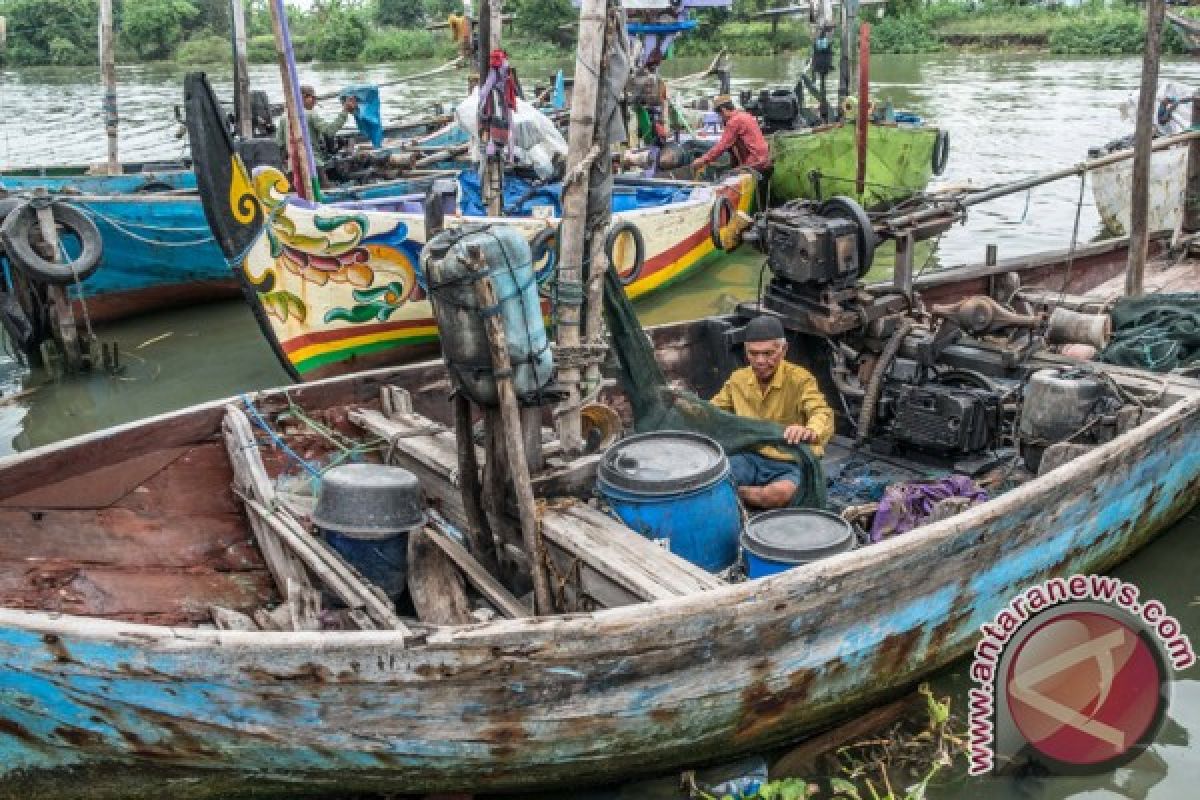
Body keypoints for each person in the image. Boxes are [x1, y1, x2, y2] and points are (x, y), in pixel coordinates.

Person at [711, 315, 834, 509]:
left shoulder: (800, 379)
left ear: (783, 350)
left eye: (768, 353)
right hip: (750, 457)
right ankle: (738, 492)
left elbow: (821, 412)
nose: (760, 360)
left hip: (791, 462)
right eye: (753, 353)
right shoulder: (737, 380)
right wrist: (684, 405)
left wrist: (809, 430)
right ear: (746, 351)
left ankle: (736, 493)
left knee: (778, 494)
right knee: (710, 477)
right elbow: (711, 410)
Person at [276, 84, 359, 180]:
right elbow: (329, 131)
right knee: (325, 190)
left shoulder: (283, 117)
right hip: (313, 164)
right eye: (313, 98)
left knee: (296, 194)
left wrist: (285, 166)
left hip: (293, 167)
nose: (315, 102)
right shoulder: (311, 115)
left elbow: (280, 145)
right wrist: (345, 111)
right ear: (303, 97)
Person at [691, 94, 771, 176]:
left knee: (728, 175)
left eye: (720, 115)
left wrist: (702, 160)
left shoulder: (734, 121)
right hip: (764, 158)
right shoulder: (745, 115)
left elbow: (721, 146)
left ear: (724, 110)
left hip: (755, 161)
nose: (721, 118)